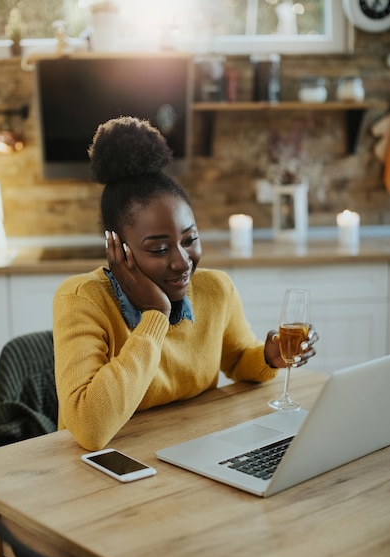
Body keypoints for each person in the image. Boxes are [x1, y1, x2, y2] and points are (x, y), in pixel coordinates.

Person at [53, 116, 318, 451]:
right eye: (159, 249)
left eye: (190, 239)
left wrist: (269, 357)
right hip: (104, 468)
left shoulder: (215, 290)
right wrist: (155, 316)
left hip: (191, 449)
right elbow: (90, 428)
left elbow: (237, 360)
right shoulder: (82, 300)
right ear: (119, 249)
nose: (182, 261)